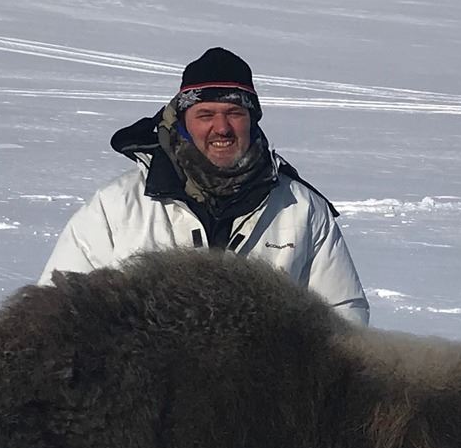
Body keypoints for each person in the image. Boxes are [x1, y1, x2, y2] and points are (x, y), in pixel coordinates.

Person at [38, 47, 370, 325]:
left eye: (234, 112)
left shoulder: (301, 209)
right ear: (182, 121)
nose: (221, 128)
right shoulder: (116, 206)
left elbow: (344, 316)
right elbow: (56, 312)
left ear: (252, 119)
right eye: (206, 114)